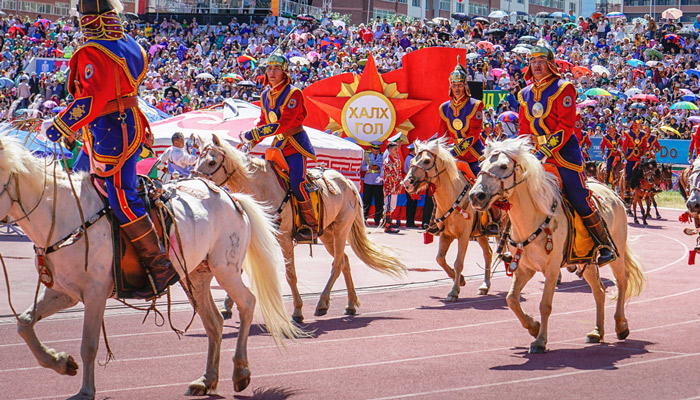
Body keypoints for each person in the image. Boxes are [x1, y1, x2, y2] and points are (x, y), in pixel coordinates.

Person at [41, 0, 178, 298]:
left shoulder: (94, 50)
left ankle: (159, 264)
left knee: (122, 200)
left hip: (113, 133)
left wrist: (60, 126)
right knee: (77, 190)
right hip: (114, 128)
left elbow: (90, 100)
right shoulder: (128, 43)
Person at [517, 42, 616, 266]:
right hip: (535, 155)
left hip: (563, 156)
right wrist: (526, 152)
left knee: (578, 196)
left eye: (541, 62)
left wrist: (544, 150)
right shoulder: (524, 93)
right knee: (513, 190)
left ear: (551, 64)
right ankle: (509, 242)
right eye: (533, 62)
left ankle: (604, 244)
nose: (537, 66)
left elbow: (565, 127)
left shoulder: (564, 88)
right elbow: (524, 129)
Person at [241, 50, 318, 242]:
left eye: (276, 68)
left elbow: (284, 124)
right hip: (278, 146)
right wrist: (249, 142)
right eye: (269, 68)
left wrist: (254, 134)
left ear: (285, 72)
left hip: (295, 145)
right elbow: (262, 122)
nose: (272, 72)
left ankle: (309, 224)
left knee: (296, 182)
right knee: (259, 177)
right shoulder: (265, 94)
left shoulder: (294, 93)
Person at [436, 56, 497, 235]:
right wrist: (442, 152)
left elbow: (474, 134)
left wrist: (454, 151)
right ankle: (437, 219)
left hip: (473, 153)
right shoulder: (444, 108)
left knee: (485, 183)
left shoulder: (476, 105)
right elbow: (442, 135)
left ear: (465, 86)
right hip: (452, 154)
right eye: (454, 85)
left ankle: (491, 219)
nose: (457, 88)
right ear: (450, 86)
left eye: (460, 85)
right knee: (437, 182)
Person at [361, 141, 384, 227]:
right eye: (374, 150)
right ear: (371, 149)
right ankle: (364, 219)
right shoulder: (366, 155)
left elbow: (384, 167)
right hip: (368, 181)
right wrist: (368, 167)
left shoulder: (382, 156)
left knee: (379, 202)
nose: (375, 152)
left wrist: (379, 167)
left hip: (378, 182)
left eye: (377, 151)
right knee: (366, 201)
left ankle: (377, 220)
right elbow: (361, 168)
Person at [623, 116, 649, 192]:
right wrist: (623, 157)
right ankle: (627, 188)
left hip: (639, 157)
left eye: (641, 123)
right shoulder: (628, 133)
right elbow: (624, 147)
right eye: (639, 123)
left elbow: (644, 146)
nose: (640, 125)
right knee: (628, 171)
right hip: (630, 156)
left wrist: (645, 155)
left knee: (646, 171)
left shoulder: (643, 134)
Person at [382, 141, 402, 234]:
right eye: (394, 149)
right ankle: (387, 225)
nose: (396, 151)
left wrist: (400, 183)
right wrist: (397, 183)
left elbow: (399, 173)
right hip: (389, 187)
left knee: (392, 206)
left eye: (397, 149)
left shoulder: (396, 160)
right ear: (389, 150)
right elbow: (390, 176)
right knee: (389, 206)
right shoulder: (387, 162)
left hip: (394, 187)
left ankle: (388, 224)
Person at [403, 143, 418, 228]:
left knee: (412, 203)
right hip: (411, 183)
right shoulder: (411, 159)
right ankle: (410, 222)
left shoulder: (409, 158)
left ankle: (410, 221)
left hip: (410, 183)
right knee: (411, 203)